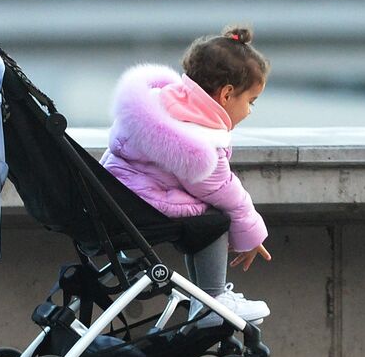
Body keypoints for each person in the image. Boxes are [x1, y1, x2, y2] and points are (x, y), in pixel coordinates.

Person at [101, 26, 272, 324]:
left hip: (118, 197)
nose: (249, 111)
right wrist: (251, 235)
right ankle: (211, 301)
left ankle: (201, 299)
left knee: (201, 219)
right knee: (214, 220)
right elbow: (225, 191)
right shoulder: (197, 142)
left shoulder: (160, 104)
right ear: (227, 94)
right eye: (250, 101)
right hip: (140, 206)